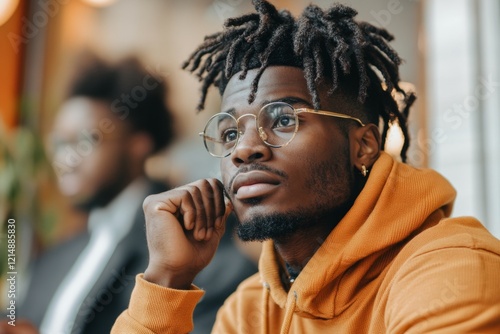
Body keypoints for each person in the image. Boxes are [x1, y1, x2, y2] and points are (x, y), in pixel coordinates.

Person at [112, 1, 500, 333]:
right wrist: (167, 280)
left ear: (363, 146)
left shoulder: (453, 266)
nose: (244, 150)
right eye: (230, 133)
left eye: (283, 120)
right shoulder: (249, 312)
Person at [9, 56, 256, 334]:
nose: (67, 158)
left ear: (139, 144)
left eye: (86, 140)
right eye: (59, 142)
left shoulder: (197, 244)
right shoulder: (55, 256)